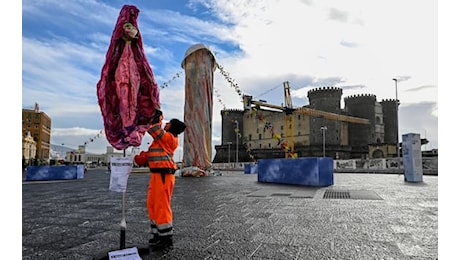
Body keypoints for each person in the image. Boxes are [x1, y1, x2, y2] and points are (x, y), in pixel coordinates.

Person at [134, 111, 186, 250]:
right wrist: (136, 159)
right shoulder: (161, 140)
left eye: (168, 123)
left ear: (172, 128)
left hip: (164, 175)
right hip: (157, 176)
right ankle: (157, 234)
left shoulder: (169, 138)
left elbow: (154, 129)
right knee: (152, 204)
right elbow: (151, 153)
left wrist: (158, 117)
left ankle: (166, 238)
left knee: (162, 205)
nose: (166, 124)